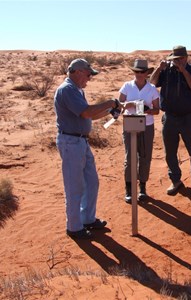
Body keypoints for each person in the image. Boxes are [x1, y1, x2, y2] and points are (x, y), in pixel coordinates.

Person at [54, 58, 123, 239]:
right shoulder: (67, 90)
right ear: (77, 71)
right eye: (88, 74)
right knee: (74, 186)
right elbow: (86, 112)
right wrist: (109, 103)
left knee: (91, 182)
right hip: (71, 143)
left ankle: (87, 219)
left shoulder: (76, 90)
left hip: (81, 142)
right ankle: (74, 227)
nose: (90, 78)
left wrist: (110, 112)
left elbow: (88, 116)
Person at [150, 45, 191, 198]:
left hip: (188, 118)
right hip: (170, 117)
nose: (176, 62)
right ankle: (175, 180)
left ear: (185, 58)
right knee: (170, 152)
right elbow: (152, 84)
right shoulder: (167, 71)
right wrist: (159, 69)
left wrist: (184, 71)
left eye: (179, 59)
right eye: (174, 59)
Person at [119, 59, 160, 203]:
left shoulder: (152, 89)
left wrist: (146, 109)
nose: (139, 74)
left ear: (147, 73)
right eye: (136, 71)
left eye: (142, 72)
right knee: (130, 157)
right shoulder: (127, 86)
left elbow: (157, 110)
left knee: (145, 156)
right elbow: (119, 105)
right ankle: (129, 189)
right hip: (130, 123)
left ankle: (142, 188)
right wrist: (128, 104)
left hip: (147, 125)